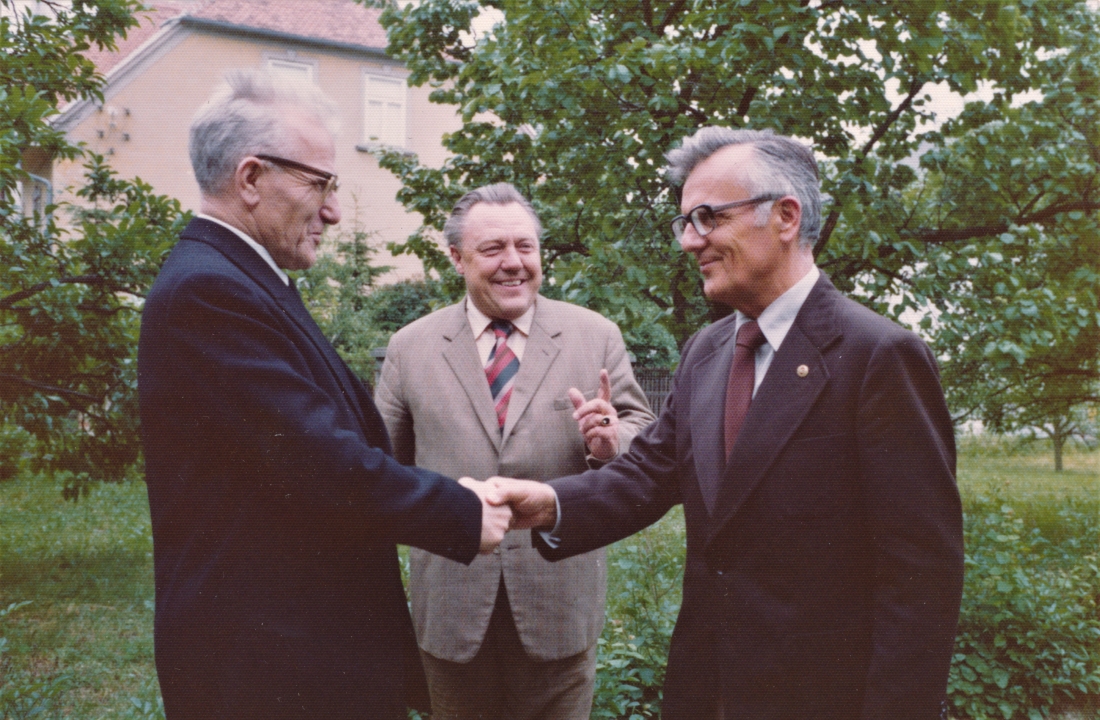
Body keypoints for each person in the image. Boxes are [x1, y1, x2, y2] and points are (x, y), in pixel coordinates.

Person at [498, 127, 964, 720]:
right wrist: (543, 503)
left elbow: (921, 576)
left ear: (786, 217)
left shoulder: (878, 355)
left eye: (708, 218)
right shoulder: (708, 351)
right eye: (685, 223)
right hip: (706, 690)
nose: (690, 243)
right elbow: (647, 473)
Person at [137, 70, 511, 720]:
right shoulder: (210, 293)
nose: (334, 211)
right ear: (250, 179)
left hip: (297, 655)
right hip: (269, 670)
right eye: (320, 184)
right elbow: (317, 463)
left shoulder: (242, 279)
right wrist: (459, 510)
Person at [374, 183, 656, 720]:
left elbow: (642, 435)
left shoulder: (593, 334)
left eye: (525, 247)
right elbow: (382, 468)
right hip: (452, 607)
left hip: (559, 604)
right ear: (456, 258)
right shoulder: (411, 347)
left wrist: (610, 441)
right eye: (493, 249)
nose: (513, 263)